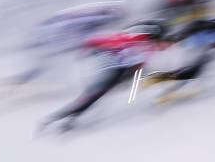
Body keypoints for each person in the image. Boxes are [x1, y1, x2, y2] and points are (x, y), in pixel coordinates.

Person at [37, 21, 169, 132]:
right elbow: (112, 43)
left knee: (95, 95)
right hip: (112, 64)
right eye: (164, 44)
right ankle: (56, 118)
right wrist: (92, 46)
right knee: (93, 95)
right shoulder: (140, 41)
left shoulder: (148, 46)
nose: (164, 48)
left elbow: (138, 65)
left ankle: (67, 118)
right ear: (157, 38)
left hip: (117, 66)